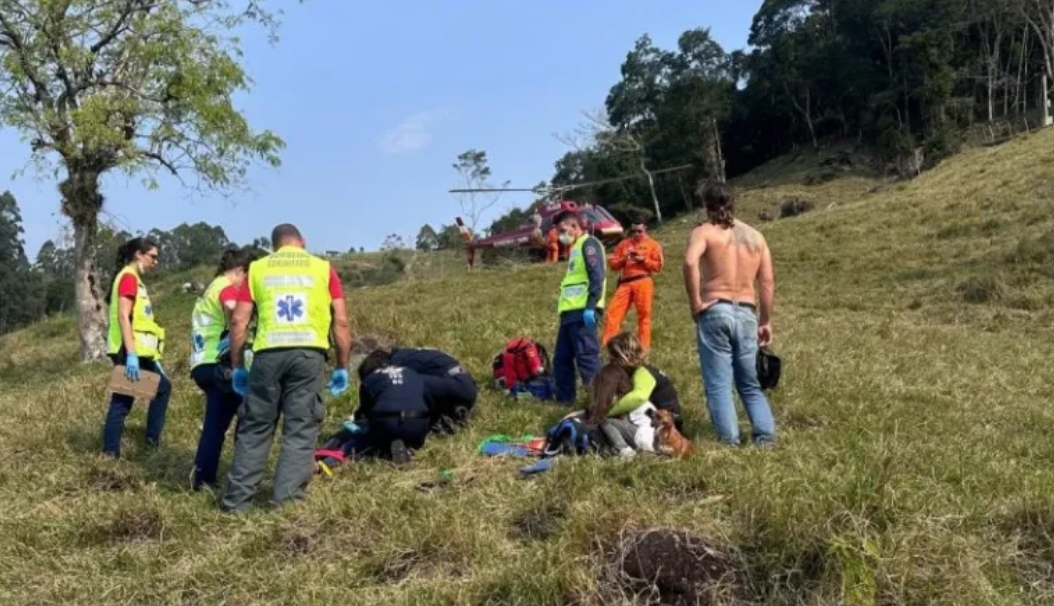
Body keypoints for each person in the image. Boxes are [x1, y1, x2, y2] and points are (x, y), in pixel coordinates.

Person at [221, 224, 353, 513]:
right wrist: (342, 365)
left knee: (255, 428)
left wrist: (238, 365)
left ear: (275, 245)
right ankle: (286, 506)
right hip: (309, 357)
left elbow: (238, 322)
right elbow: (340, 321)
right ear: (301, 242)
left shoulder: (257, 269)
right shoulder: (323, 268)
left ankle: (236, 506)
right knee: (300, 430)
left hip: (267, 355)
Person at [683, 182, 776, 447]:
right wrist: (765, 320)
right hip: (747, 311)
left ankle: (729, 441)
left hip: (715, 309)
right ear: (733, 203)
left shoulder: (703, 232)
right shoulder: (756, 236)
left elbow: (690, 262)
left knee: (719, 383)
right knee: (749, 382)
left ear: (706, 205)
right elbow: (767, 282)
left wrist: (696, 303)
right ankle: (765, 436)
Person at [188, 248, 257, 491]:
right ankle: (243, 476)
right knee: (251, 417)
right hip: (219, 365)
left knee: (215, 426)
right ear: (240, 271)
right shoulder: (226, 288)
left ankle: (203, 479)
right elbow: (233, 309)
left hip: (201, 365)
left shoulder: (209, 289)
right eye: (248, 278)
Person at [102, 237, 171, 459]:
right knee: (124, 400)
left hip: (136, 350)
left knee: (154, 390)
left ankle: (123, 449)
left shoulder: (133, 279)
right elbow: (124, 316)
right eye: (152, 256)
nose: (155, 261)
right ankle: (115, 452)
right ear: (138, 255)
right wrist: (131, 354)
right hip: (128, 349)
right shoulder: (129, 278)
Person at [552, 209, 607, 405]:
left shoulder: (589, 244)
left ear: (575, 227)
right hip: (569, 313)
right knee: (561, 360)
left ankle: (600, 401)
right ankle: (564, 402)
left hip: (583, 312)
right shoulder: (575, 248)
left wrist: (591, 306)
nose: (561, 235)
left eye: (563, 230)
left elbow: (597, 276)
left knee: (586, 357)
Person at [351, 350, 431, 465]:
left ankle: (386, 448)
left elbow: (366, 413)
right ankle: (408, 446)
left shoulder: (370, 379)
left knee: (370, 435)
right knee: (411, 435)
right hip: (419, 421)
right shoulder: (412, 372)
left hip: (387, 421)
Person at [605, 331, 684, 432]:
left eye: (613, 358)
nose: (610, 361)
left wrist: (610, 412)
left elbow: (638, 397)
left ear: (626, 356)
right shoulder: (643, 371)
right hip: (668, 424)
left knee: (610, 421)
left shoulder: (643, 372)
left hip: (665, 429)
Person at [602, 222, 664, 350]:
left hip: (643, 281)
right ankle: (607, 345)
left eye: (639, 231)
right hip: (625, 283)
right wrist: (623, 259)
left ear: (645, 229)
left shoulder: (653, 245)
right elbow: (613, 264)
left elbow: (658, 266)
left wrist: (644, 260)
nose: (636, 234)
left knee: (644, 314)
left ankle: (644, 347)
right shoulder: (623, 244)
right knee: (612, 313)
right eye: (633, 231)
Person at [389, 346, 476, 433]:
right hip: (464, 385)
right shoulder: (414, 353)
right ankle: (447, 414)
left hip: (457, 385)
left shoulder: (397, 360)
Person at [584, 364, 657, 458]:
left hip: (646, 438)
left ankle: (624, 450)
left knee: (605, 422)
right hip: (654, 438)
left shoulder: (623, 403)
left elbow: (620, 421)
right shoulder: (631, 397)